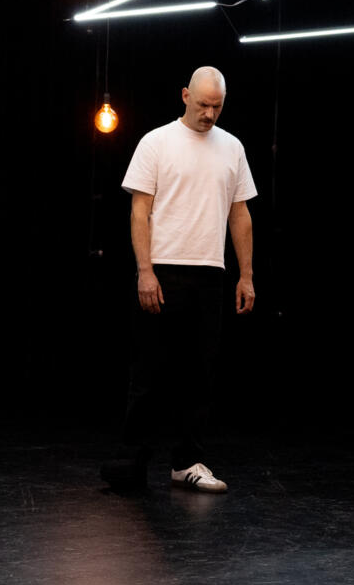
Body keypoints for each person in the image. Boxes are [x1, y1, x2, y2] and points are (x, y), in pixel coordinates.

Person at [103, 66, 256, 494]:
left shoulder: (232, 147)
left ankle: (187, 462)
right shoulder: (156, 142)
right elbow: (139, 211)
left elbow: (240, 214)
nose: (209, 114)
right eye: (203, 104)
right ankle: (132, 463)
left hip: (210, 272)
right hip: (163, 269)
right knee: (149, 372)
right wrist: (145, 270)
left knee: (199, 373)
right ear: (185, 95)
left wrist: (246, 275)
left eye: (217, 106)